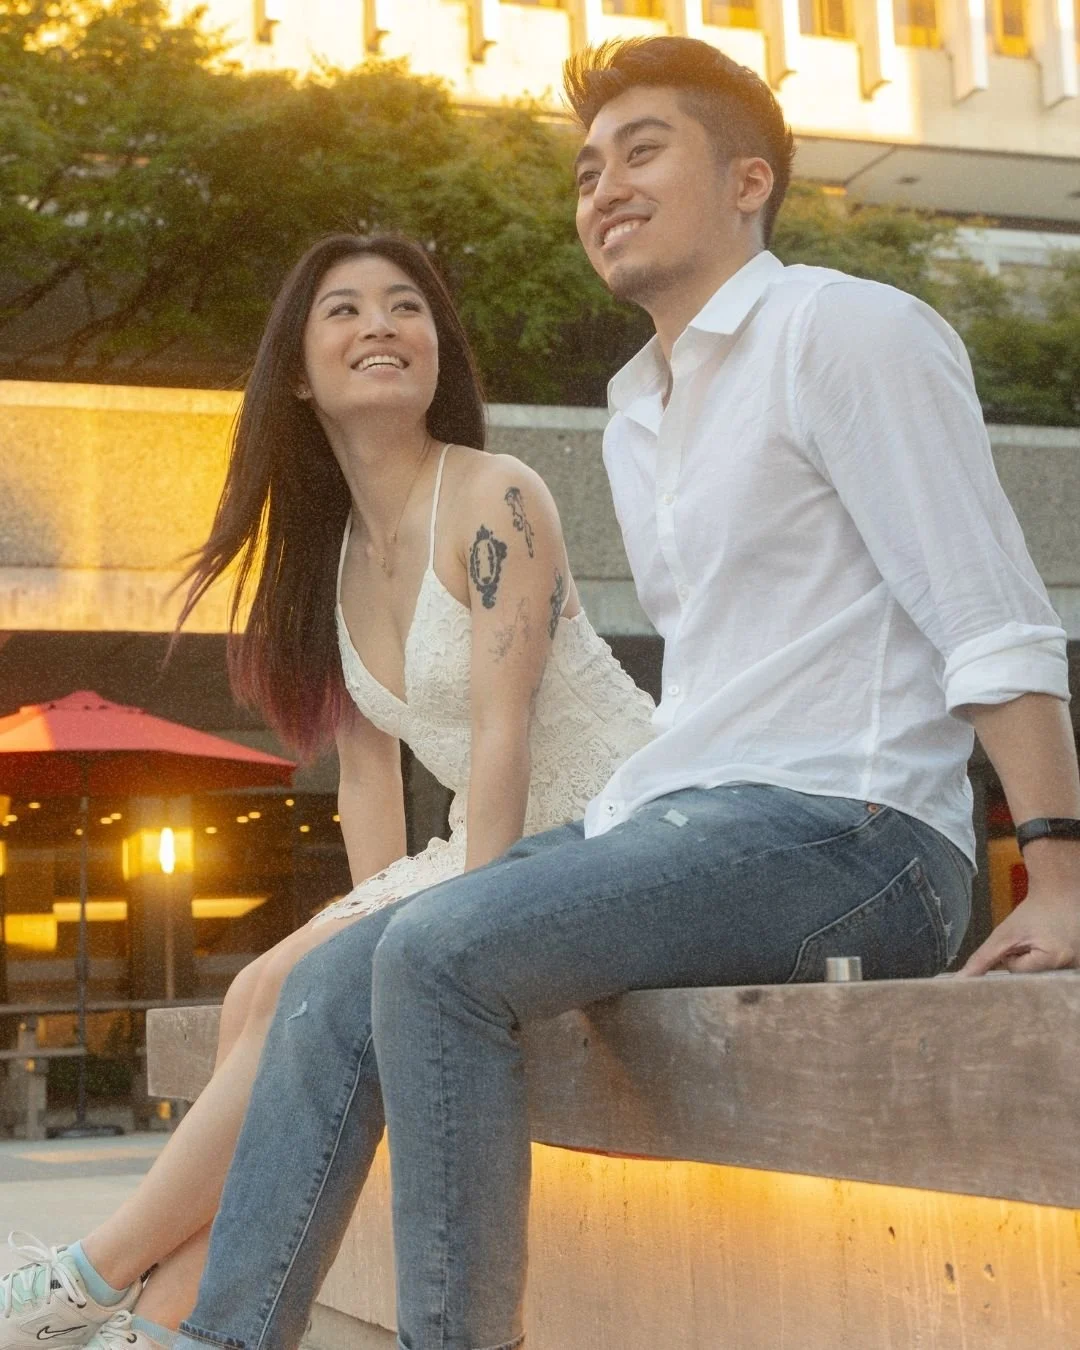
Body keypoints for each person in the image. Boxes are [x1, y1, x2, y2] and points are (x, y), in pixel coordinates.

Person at [16, 31, 1080, 1350]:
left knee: (439, 949)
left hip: (856, 832)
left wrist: (1058, 865)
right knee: (344, 972)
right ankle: (223, 1334)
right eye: (586, 169)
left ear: (750, 181)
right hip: (690, 813)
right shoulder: (642, 407)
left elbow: (986, 604)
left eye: (645, 152)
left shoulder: (846, 329)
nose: (604, 188)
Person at [0, 233, 654, 1350]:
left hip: (608, 825)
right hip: (480, 849)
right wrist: (362, 950)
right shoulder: (333, 554)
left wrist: (435, 938)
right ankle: (159, 1318)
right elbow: (366, 782)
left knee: (299, 987)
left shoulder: (497, 493)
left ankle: (101, 1271)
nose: (382, 327)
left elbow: (502, 738)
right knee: (270, 988)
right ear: (300, 371)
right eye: (345, 311)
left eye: (406, 307)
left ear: (439, 350)